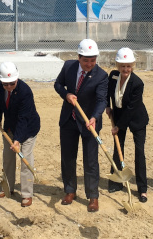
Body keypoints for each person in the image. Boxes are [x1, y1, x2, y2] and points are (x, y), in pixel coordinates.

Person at [54, 38, 108, 212]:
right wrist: (66, 95)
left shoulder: (101, 75)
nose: (89, 64)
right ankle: (70, 190)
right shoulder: (68, 66)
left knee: (91, 160)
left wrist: (95, 117)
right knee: (68, 157)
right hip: (68, 119)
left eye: (93, 60)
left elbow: (101, 100)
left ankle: (93, 196)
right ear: (79, 57)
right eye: (86, 60)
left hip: (88, 122)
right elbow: (57, 84)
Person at [0, 61, 41, 207]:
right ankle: (8, 187)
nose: (8, 86)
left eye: (11, 83)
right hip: (9, 127)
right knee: (8, 158)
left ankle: (26, 194)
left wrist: (17, 140)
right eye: (5, 84)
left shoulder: (25, 92)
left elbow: (23, 118)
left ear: (17, 79)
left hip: (28, 129)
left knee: (25, 159)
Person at [106, 48, 149, 202]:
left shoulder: (138, 83)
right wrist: (107, 106)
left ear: (133, 66)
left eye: (128, 66)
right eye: (123, 66)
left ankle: (142, 189)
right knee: (118, 149)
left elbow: (132, 108)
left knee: (139, 152)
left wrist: (119, 126)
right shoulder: (113, 75)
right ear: (118, 65)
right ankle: (116, 183)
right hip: (118, 115)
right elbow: (106, 91)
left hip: (136, 118)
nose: (125, 69)